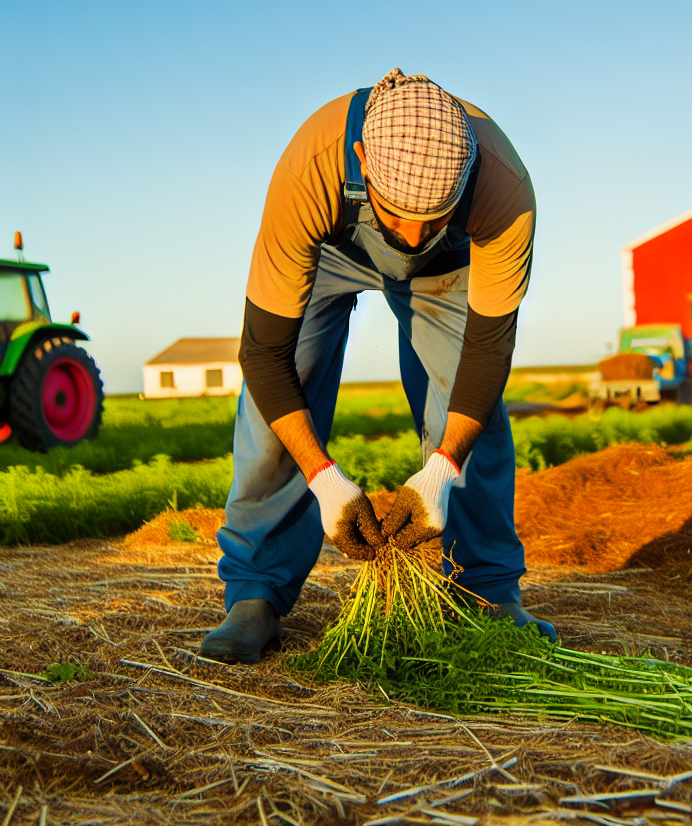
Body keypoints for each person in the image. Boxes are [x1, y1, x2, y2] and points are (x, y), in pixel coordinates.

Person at [200, 69, 555, 663]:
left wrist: (441, 471)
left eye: (431, 216)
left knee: (468, 409)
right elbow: (262, 353)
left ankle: (489, 590)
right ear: (363, 159)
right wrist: (324, 479)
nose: (412, 237)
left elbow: (489, 351)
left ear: (467, 175)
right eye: (398, 215)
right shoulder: (310, 167)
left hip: (453, 263)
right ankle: (255, 594)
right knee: (277, 406)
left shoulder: (504, 188)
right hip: (336, 247)